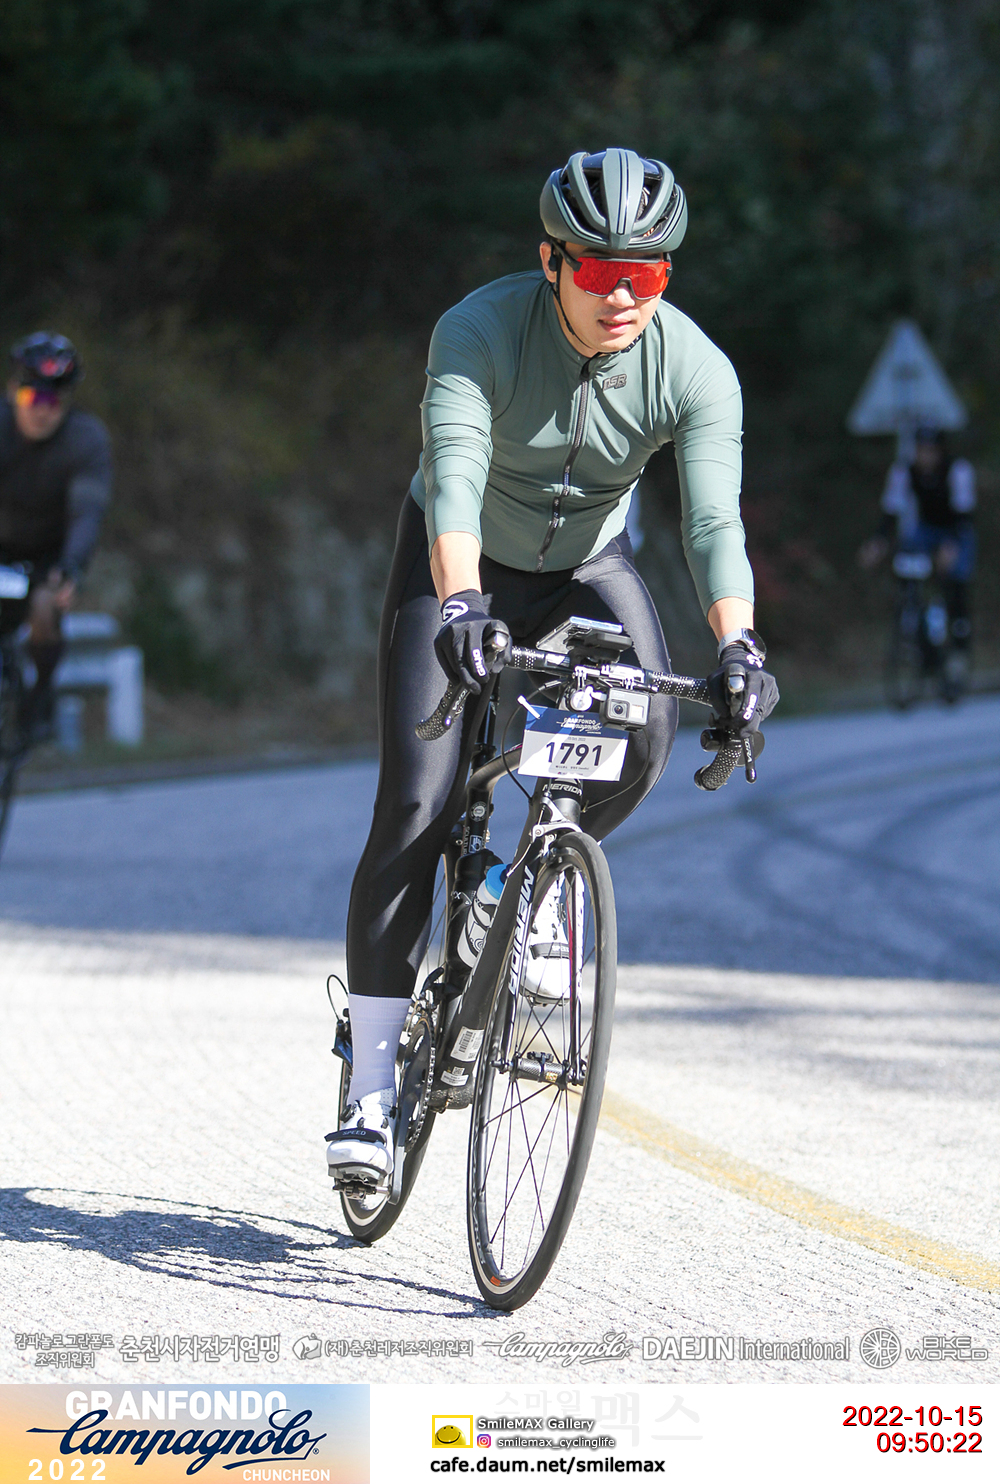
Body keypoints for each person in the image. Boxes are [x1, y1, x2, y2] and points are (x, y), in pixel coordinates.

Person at [326, 148, 779, 1187]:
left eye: (646, 274)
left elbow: (712, 522)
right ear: (550, 262)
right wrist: (459, 603)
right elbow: (452, 476)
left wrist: (739, 646)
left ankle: (509, 885)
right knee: (417, 803)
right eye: (600, 271)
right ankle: (370, 1089)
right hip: (458, 562)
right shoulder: (477, 330)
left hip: (585, 568)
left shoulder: (694, 369)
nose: (623, 296)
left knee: (648, 733)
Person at [0, 333, 113, 740]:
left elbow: (86, 513)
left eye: (54, 401)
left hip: (46, 555)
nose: (42, 411)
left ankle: (39, 700)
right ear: (13, 392)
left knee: (46, 608)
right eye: (33, 398)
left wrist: (71, 566)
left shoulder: (85, 440)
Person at [858, 424, 976, 685]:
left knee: (956, 582)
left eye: (930, 451)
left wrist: (951, 546)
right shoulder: (904, 471)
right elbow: (891, 511)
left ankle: (959, 646)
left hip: (954, 532)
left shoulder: (958, 470)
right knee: (907, 564)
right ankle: (914, 622)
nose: (925, 456)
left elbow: (964, 515)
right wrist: (878, 542)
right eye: (921, 450)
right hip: (925, 530)